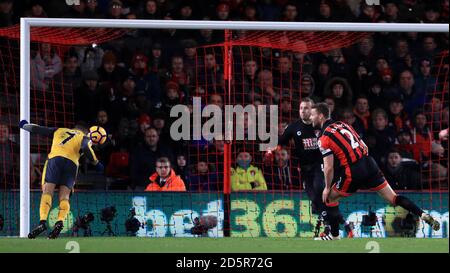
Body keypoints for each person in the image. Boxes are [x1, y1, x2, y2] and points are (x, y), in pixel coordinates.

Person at [310, 103, 440, 240]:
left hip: (353, 170)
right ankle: (423, 214)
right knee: (394, 198)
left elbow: (328, 167)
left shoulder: (324, 138)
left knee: (329, 197)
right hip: (370, 163)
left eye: (312, 115)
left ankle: (334, 236)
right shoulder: (344, 125)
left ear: (320, 116)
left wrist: (326, 187)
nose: (311, 118)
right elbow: (364, 146)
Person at [19, 120, 104, 239]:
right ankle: (59, 222)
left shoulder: (59, 130)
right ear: (85, 132)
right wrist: (96, 163)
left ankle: (42, 223)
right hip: (72, 165)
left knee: (47, 192)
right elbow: (86, 147)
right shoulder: (84, 138)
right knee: (64, 197)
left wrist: (24, 125)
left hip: (55, 160)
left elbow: (39, 129)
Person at [277, 98, 344, 237]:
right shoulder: (294, 128)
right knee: (314, 198)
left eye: (306, 108)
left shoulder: (321, 126)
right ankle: (338, 222)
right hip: (304, 169)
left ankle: (330, 226)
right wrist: (271, 151)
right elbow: (280, 142)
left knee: (320, 190)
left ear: (313, 110)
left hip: (320, 166)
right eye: (301, 108)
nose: (303, 111)